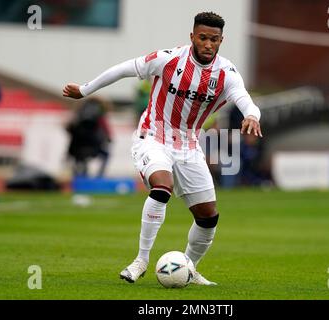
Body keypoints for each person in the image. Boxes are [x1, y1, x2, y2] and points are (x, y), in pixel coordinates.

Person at [63, 12, 262, 285]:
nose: (207, 44)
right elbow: (124, 68)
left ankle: (189, 269)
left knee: (208, 217)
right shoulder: (168, 59)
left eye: (213, 39)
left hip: (189, 147)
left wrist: (252, 116)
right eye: (202, 37)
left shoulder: (226, 73)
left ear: (221, 40)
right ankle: (141, 260)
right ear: (192, 36)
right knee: (161, 187)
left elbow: (244, 98)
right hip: (153, 137)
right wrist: (85, 90)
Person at [66, 96, 112, 177]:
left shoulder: (78, 114)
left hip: (76, 149)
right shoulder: (99, 115)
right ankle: (99, 177)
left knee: (79, 159)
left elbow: (68, 128)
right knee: (106, 155)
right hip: (94, 148)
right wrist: (107, 138)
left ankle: (79, 177)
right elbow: (107, 133)